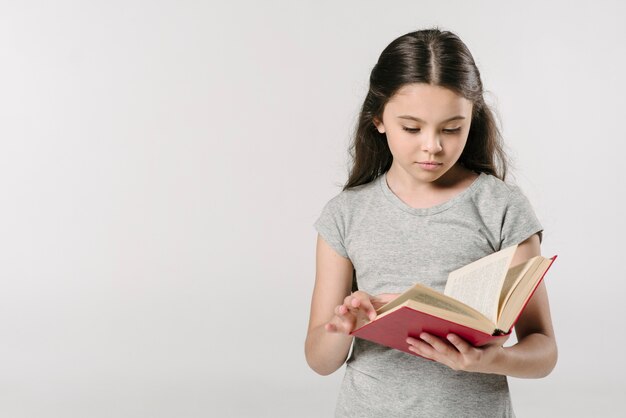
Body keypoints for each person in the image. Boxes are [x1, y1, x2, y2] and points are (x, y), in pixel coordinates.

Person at [304, 28, 557, 417]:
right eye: (411, 128)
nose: (432, 146)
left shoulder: (501, 207)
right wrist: (346, 326)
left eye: (452, 128)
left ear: (473, 119)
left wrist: (488, 360)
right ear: (378, 119)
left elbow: (543, 351)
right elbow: (319, 360)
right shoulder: (346, 214)